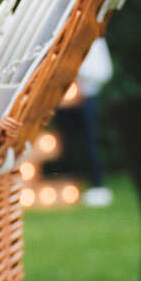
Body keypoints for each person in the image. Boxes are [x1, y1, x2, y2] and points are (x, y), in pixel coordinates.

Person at [54, 38, 114, 206]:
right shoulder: (62, 36)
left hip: (87, 98)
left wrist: (77, 70)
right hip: (63, 99)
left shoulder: (95, 40)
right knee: (66, 143)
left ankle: (97, 185)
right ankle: (68, 188)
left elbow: (104, 72)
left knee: (90, 142)